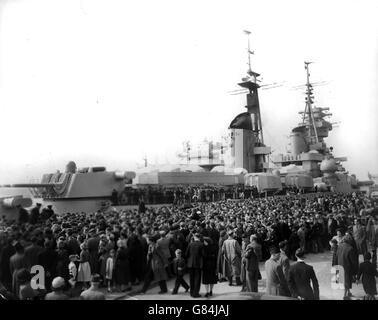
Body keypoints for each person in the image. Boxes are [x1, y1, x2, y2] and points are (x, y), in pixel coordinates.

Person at [186, 232, 204, 298]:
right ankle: (196, 293)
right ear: (199, 237)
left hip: (190, 263)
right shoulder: (201, 245)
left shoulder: (190, 244)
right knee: (197, 279)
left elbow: (186, 254)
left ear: (194, 237)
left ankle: (191, 292)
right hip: (198, 264)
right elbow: (203, 254)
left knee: (191, 279)